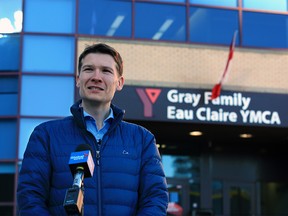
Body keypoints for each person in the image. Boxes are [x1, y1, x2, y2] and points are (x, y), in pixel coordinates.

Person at [17, 43, 169, 215]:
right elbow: (30, 197)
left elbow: (155, 199)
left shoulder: (142, 140)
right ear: (78, 79)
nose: (96, 77)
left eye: (106, 71)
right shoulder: (45, 135)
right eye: (89, 69)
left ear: (119, 82)